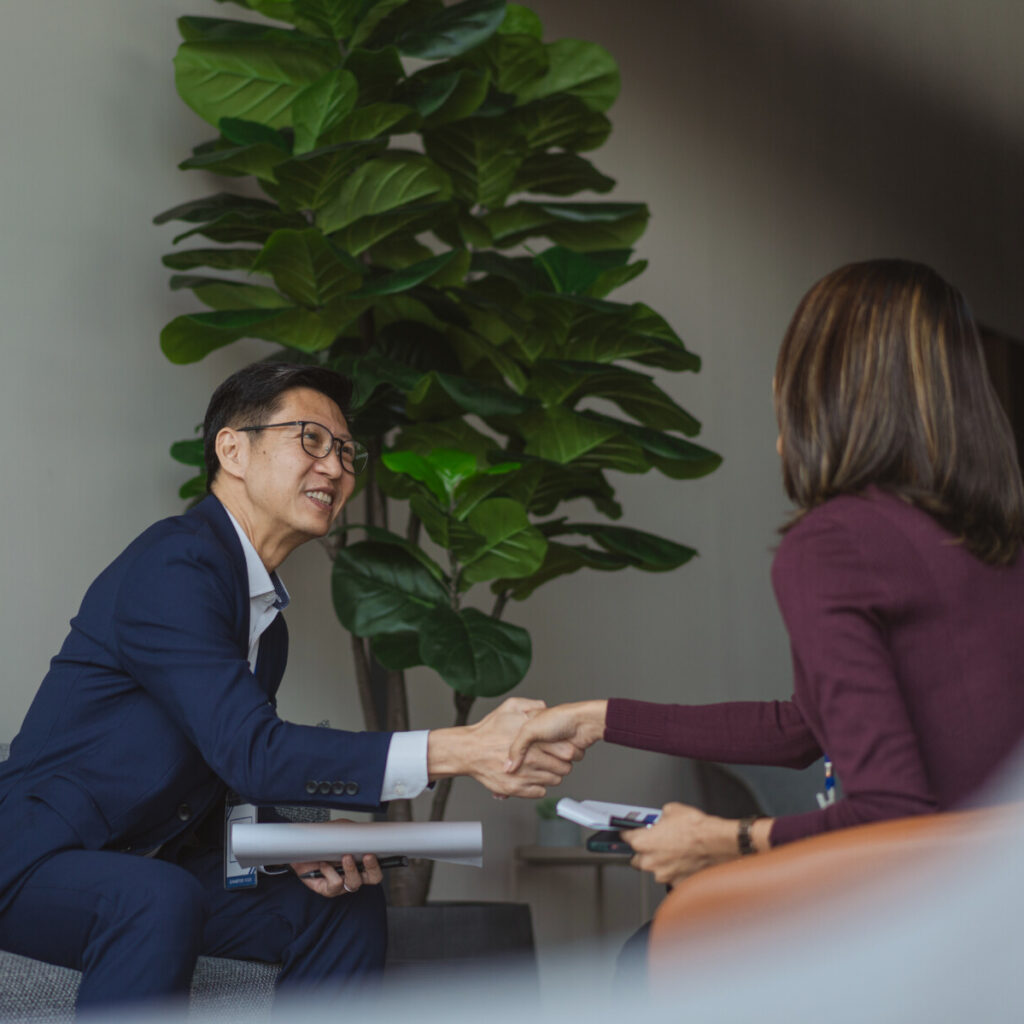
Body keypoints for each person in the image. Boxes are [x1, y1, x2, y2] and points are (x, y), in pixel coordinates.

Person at [0, 362, 579, 1013]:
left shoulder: (265, 624)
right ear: (233, 449)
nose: (334, 468)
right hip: (35, 858)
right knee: (154, 898)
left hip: (148, 860)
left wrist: (292, 845)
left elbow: (226, 775)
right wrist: (462, 748)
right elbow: (253, 749)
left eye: (346, 452)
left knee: (339, 900)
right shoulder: (173, 566)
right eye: (311, 439)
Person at [507, 258, 1024, 888]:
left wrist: (721, 841)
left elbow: (892, 816)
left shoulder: (834, 543)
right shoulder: (989, 539)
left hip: (941, 913)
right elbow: (805, 727)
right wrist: (597, 716)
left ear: (819, 389)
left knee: (656, 952)